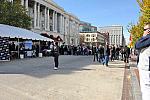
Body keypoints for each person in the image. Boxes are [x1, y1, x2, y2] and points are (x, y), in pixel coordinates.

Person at [135, 23, 150, 100]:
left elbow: (137, 44)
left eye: (144, 30)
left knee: (146, 91)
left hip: (146, 68)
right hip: (145, 67)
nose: (143, 31)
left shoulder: (148, 39)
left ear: (148, 30)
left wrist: (144, 36)